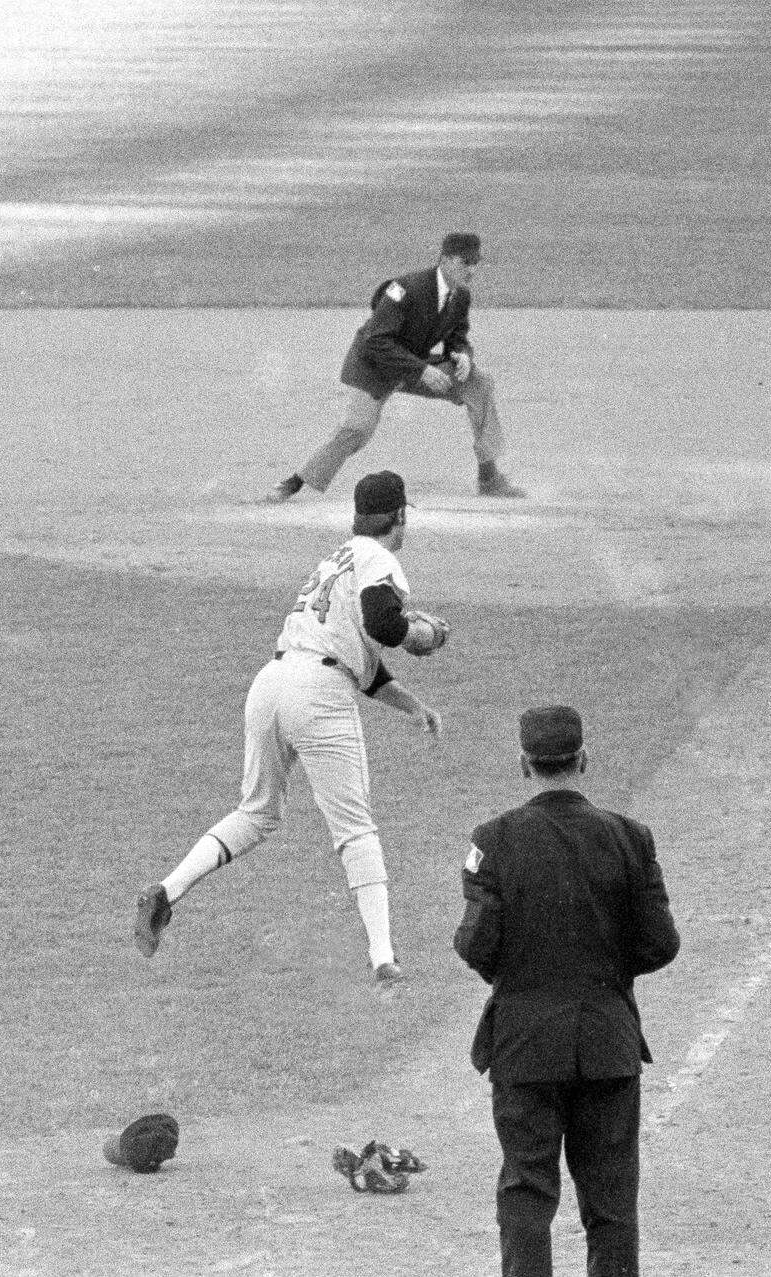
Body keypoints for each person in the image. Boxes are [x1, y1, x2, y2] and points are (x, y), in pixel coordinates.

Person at [134, 471, 447, 986]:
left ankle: (164, 894)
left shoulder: (336, 559)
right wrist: (421, 634)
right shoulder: (379, 558)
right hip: (317, 693)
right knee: (355, 828)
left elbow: (355, 653)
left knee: (256, 812)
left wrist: (410, 705)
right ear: (401, 516)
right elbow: (383, 626)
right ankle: (384, 959)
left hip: (272, 681)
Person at [454, 706, 680, 1277]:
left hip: (524, 1046)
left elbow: (477, 944)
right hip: (608, 1042)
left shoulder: (493, 841)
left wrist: (524, 975)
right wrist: (606, 973)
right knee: (611, 1202)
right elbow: (660, 943)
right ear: (583, 760)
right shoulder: (631, 838)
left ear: (524, 764)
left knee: (527, 1194)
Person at [263, 231, 525, 503]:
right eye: (465, 263)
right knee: (358, 428)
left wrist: (462, 355)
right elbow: (375, 339)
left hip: (412, 366)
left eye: (475, 263)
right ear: (445, 260)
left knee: (479, 383)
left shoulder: (461, 297)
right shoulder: (406, 288)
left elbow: (456, 337)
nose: (471, 270)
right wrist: (422, 370)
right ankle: (294, 483)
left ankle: (489, 477)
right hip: (375, 368)